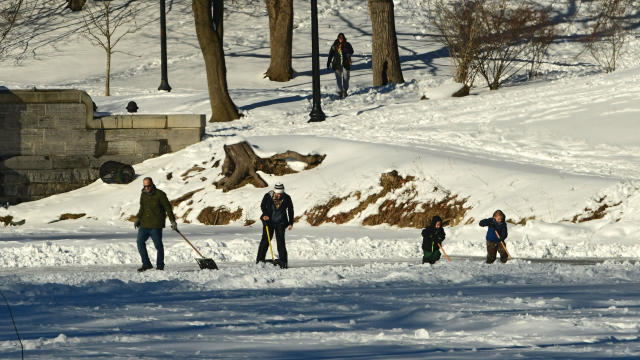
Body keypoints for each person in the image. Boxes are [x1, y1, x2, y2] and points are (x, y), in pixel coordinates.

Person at [134, 177, 177, 272]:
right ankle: (146, 264)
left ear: (152, 184)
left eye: (148, 186)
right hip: (144, 224)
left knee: (158, 246)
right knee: (139, 242)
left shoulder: (160, 194)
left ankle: (160, 266)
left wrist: (172, 221)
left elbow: (168, 208)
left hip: (156, 225)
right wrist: (138, 218)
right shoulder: (143, 194)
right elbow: (142, 208)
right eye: (145, 186)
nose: (147, 188)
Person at [256, 182, 294, 269]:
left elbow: (290, 210)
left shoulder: (287, 198)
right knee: (265, 241)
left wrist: (291, 222)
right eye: (277, 193)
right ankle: (259, 261)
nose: (279, 195)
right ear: (274, 191)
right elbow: (262, 206)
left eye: (280, 193)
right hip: (268, 222)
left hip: (281, 223)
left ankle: (283, 262)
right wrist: (265, 214)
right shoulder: (268, 196)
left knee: (281, 242)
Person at [327, 33, 354, 98]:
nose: (340, 39)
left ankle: (345, 90)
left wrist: (346, 52)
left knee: (346, 78)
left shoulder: (347, 44)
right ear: (338, 38)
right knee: (338, 79)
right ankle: (339, 92)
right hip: (337, 64)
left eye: (342, 38)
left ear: (343, 38)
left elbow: (352, 51)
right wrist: (328, 62)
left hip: (346, 63)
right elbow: (330, 54)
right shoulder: (334, 45)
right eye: (339, 38)